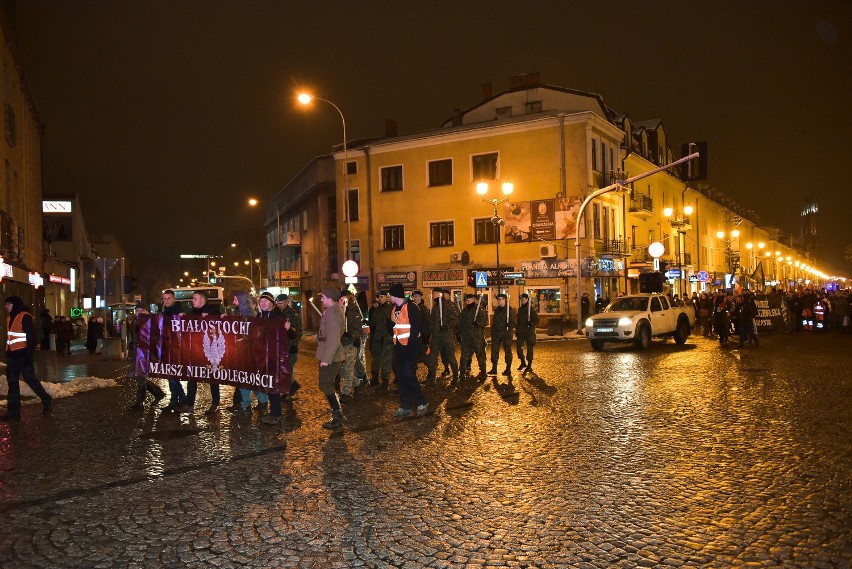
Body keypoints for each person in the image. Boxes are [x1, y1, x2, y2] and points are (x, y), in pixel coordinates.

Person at [2, 296, 53, 421]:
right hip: (13, 355)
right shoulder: (10, 317)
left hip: (23, 356)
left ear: (14, 304)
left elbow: (31, 339)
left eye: (8, 304)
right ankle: (13, 412)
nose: (6, 306)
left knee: (31, 380)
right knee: (12, 384)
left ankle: (46, 399)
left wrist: (27, 356)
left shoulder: (25, 317)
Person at [388, 283, 428, 418]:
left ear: (395, 295)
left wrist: (413, 347)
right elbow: (393, 327)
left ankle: (422, 402)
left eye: (390, 294)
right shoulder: (394, 309)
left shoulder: (412, 307)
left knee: (409, 375)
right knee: (400, 377)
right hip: (399, 348)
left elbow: (416, 328)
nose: (389, 297)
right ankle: (405, 406)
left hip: (410, 348)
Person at [260, 292, 297, 426]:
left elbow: (293, 334)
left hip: (276, 357)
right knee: (267, 384)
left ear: (272, 303)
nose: (262, 303)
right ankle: (272, 411)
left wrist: (289, 329)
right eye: (261, 301)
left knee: (273, 385)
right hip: (263, 357)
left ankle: (276, 413)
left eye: (265, 301)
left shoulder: (280, 316)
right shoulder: (259, 317)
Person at [184, 291, 222, 414]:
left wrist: (211, 317)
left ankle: (215, 403)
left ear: (202, 300)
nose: (192, 301)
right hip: (195, 350)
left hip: (210, 350)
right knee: (192, 376)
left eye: (195, 299)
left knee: (212, 377)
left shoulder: (213, 311)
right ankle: (189, 404)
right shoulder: (192, 313)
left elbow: (220, 325)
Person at [316, 287, 346, 429]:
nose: (321, 299)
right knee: (327, 384)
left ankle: (337, 414)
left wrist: (326, 359)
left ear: (329, 298)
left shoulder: (333, 313)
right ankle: (338, 412)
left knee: (325, 384)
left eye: (323, 297)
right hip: (330, 355)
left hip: (332, 357)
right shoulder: (331, 311)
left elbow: (334, 340)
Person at [128, 306, 166, 411]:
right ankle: (158, 393)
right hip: (136, 351)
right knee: (137, 376)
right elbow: (133, 337)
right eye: (137, 311)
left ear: (146, 311)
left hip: (144, 352)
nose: (139, 313)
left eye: (141, 310)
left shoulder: (149, 321)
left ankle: (139, 403)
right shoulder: (135, 321)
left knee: (140, 377)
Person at [159, 290, 189, 413]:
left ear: (174, 299)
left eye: (169, 298)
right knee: (170, 375)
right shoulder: (163, 313)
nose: (166, 300)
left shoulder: (179, 312)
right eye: (164, 298)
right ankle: (177, 399)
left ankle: (178, 399)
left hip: (176, 349)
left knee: (172, 376)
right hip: (166, 348)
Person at [426, 287, 459, 384]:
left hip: (446, 336)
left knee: (450, 356)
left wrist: (447, 326)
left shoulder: (448, 306)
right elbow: (432, 322)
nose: (433, 295)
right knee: (433, 357)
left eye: (435, 293)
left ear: (440, 294)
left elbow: (456, 319)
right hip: (436, 337)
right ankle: (432, 378)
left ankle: (456, 376)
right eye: (433, 293)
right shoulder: (435, 306)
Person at [275, 293, 303, 399]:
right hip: (279, 347)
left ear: (287, 302)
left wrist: (294, 345)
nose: (278, 305)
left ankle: (287, 392)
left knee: (288, 370)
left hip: (290, 348)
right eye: (277, 303)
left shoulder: (292, 314)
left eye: (281, 303)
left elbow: (299, 331)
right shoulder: (276, 313)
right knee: (280, 370)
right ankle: (292, 386)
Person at [338, 289, 364, 403]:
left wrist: (351, 335)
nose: (343, 300)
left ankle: (345, 392)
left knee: (348, 368)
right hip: (339, 344)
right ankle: (357, 383)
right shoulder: (338, 311)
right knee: (342, 370)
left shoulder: (353, 311)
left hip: (350, 344)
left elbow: (359, 330)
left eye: (345, 298)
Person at [458, 293, 488, 381]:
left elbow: (485, 322)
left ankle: (483, 372)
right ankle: (462, 373)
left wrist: (478, 324)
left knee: (480, 355)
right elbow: (461, 324)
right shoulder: (464, 311)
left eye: (469, 300)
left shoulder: (479, 310)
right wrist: (459, 334)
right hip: (466, 338)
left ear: (474, 300)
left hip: (477, 337)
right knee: (464, 356)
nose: (467, 301)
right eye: (466, 300)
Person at [368, 290, 393, 390]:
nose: (380, 298)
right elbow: (373, 324)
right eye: (379, 297)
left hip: (386, 339)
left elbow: (391, 325)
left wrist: (388, 335)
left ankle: (385, 381)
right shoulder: (376, 310)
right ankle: (374, 377)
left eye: (382, 297)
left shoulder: (390, 309)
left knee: (386, 360)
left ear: (385, 298)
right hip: (377, 338)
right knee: (375, 359)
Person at [488, 293, 517, 376]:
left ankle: (508, 368)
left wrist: (509, 325)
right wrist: (493, 331)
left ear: (505, 300)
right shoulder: (497, 310)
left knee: (507, 351)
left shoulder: (510, 310)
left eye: (501, 299)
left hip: (506, 334)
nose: (499, 301)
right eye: (498, 299)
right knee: (494, 351)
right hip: (497, 334)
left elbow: (514, 322)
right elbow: (494, 322)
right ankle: (494, 368)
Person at [516, 293, 540, 374]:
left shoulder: (531, 309)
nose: (522, 301)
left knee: (529, 349)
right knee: (518, 347)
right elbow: (518, 321)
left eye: (523, 299)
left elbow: (537, 320)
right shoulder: (520, 309)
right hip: (521, 332)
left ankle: (529, 365)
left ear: (527, 299)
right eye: (521, 299)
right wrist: (517, 331)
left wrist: (531, 323)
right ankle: (523, 362)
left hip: (529, 332)